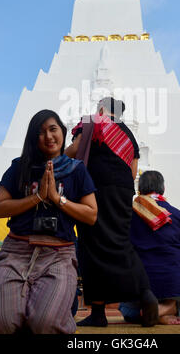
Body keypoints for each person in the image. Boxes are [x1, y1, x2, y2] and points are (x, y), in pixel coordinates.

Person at [0, 109, 97, 334]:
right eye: (41, 133)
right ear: (33, 139)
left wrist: (56, 198)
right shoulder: (19, 167)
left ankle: (55, 307)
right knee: (1, 323)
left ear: (62, 132)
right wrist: (37, 197)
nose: (49, 137)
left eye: (53, 129)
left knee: (45, 324)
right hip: (17, 251)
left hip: (58, 255)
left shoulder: (76, 170)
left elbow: (91, 214)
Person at [65, 97, 158, 327]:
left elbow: (76, 149)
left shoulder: (91, 122)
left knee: (92, 244)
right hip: (123, 191)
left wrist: (56, 158)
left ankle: (98, 312)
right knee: (120, 241)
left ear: (102, 109)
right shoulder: (128, 134)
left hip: (94, 189)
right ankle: (145, 293)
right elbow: (133, 169)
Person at [119, 170, 180, 325]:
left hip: (139, 284)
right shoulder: (176, 214)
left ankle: (153, 311)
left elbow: (122, 250)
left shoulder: (128, 214)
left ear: (139, 190)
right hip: (176, 283)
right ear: (163, 189)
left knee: (129, 312)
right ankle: (167, 308)